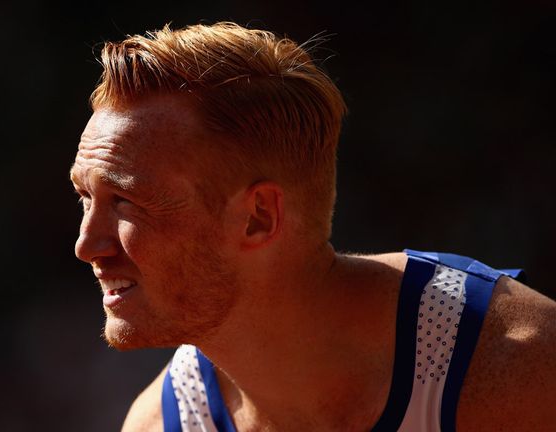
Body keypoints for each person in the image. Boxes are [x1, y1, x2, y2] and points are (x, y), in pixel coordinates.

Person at [69, 22, 556, 431]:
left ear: (258, 217)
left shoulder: (516, 368)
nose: (86, 244)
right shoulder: (161, 422)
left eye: (126, 201)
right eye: (85, 197)